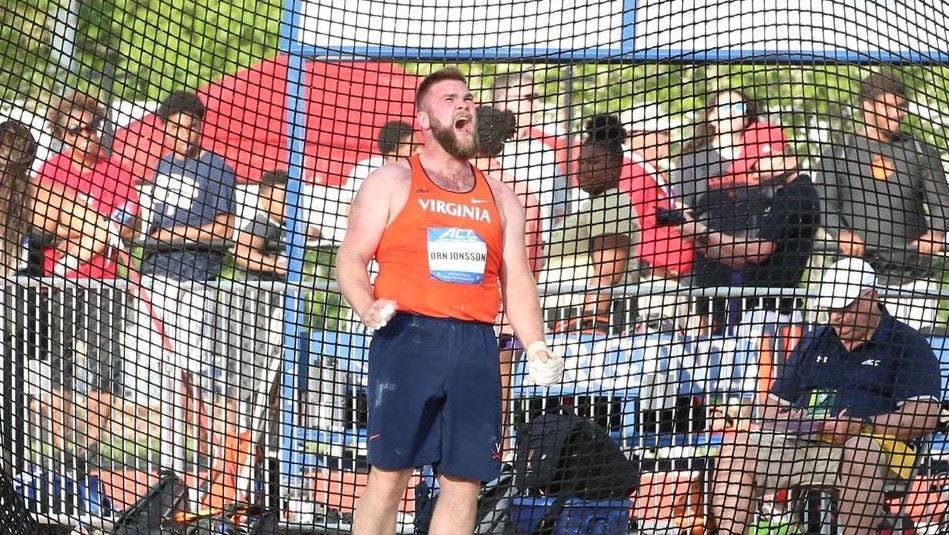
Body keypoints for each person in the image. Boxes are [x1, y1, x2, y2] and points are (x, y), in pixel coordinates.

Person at [337, 67, 561, 535]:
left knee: (464, 480)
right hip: (407, 339)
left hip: (475, 346)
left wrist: (536, 344)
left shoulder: (500, 196)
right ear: (422, 119)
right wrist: (366, 305)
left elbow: (516, 277)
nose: (464, 105)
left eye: (468, 98)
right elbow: (351, 258)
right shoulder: (392, 180)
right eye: (449, 99)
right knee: (390, 473)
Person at [709, 257, 941, 535]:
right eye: (831, 308)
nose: (836, 317)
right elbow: (770, 406)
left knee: (861, 450)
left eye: (845, 308)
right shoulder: (815, 339)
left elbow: (925, 417)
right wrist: (788, 419)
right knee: (736, 449)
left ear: (873, 296)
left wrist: (862, 425)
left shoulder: (908, 344)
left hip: (880, 448)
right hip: (806, 442)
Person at [123, 90, 236, 472]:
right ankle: (171, 463)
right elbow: (144, 223)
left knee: (199, 371)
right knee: (161, 375)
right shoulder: (159, 168)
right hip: (155, 278)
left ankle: (214, 461)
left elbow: (223, 228)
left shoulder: (217, 168)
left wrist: (173, 236)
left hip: (194, 281)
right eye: (175, 128)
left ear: (200, 127)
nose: (183, 135)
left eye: (190, 127)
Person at [33, 91, 141, 456]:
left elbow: (127, 230)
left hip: (105, 283)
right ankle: (62, 453)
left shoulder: (118, 173)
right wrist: (84, 229)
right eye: (76, 130)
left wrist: (91, 230)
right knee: (60, 366)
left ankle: (88, 454)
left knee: (105, 368)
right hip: (62, 280)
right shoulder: (50, 172)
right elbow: (43, 227)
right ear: (62, 135)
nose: (86, 136)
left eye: (91, 128)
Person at [816, 72, 949, 330]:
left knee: (912, 355)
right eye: (891, 106)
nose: (899, 113)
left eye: (902, 107)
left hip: (914, 279)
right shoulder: (839, 152)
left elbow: (943, 204)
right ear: (867, 106)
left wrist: (937, 232)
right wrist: (841, 233)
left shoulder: (921, 152)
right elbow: (823, 201)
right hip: (856, 281)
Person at [673, 90, 807, 333]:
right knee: (706, 342)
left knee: (753, 344)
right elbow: (682, 215)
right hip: (710, 266)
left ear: (747, 118)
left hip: (759, 268)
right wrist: (710, 244)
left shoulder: (765, 161)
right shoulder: (692, 161)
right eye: (725, 109)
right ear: (712, 116)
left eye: (738, 109)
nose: (732, 115)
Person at [472, 105, 545, 449]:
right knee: (494, 406)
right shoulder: (521, 195)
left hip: (453, 315)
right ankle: (491, 477)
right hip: (502, 318)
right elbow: (530, 265)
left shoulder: (446, 190)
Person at [547, 114, 640, 332]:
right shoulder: (596, 203)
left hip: (579, 320)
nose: (584, 169)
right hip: (564, 315)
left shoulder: (611, 202)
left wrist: (589, 324)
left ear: (616, 166)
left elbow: (607, 274)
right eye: (581, 162)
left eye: (594, 162)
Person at [224, 170, 288, 418]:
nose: (288, 204)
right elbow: (241, 251)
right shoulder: (262, 224)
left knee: (270, 372)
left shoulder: (285, 227)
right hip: (253, 308)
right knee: (250, 372)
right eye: (281, 199)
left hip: (272, 307)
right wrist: (275, 266)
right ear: (264, 200)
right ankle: (239, 431)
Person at [491, 71, 571, 238]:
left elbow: (561, 210)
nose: (536, 105)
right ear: (503, 101)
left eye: (536, 98)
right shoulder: (484, 153)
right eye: (529, 98)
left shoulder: (545, 154)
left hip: (539, 256)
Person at [308, 121, 416, 243]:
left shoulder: (422, 172)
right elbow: (351, 213)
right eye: (414, 148)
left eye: (419, 146)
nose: (419, 151)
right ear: (392, 154)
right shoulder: (365, 171)